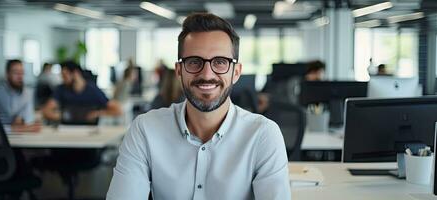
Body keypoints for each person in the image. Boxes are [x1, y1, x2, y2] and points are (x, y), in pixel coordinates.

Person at [107, 13, 291, 199]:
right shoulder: (145, 130)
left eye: (220, 62)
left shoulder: (263, 134)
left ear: (236, 72)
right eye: (194, 62)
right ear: (179, 71)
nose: (207, 74)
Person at [41, 60, 121, 122]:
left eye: (65, 76)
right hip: (66, 130)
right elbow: (46, 111)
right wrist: (64, 116)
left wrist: (97, 113)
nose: (63, 79)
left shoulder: (92, 90)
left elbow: (117, 110)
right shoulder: (61, 89)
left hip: (89, 131)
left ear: (76, 73)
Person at [0, 59, 41, 132]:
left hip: (22, 136)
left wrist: (22, 119)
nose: (20, 76)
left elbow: (29, 120)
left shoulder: (27, 93)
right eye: (16, 73)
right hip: (1, 136)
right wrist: (14, 128)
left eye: (22, 73)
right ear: (7, 74)